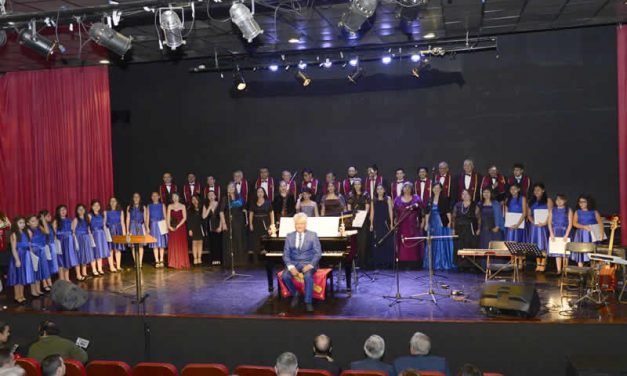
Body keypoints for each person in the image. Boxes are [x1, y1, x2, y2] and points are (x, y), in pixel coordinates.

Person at [281, 213, 322, 313]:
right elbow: (285, 254)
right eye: (297, 224)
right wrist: (290, 267)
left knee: (308, 276)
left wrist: (311, 265)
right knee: (285, 276)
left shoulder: (313, 235)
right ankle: (295, 294)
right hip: (294, 262)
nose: (299, 226)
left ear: (305, 224)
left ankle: (308, 301)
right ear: (294, 224)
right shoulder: (289, 236)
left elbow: (318, 253)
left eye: (302, 223)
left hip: (308, 262)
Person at [423, 183, 455, 271]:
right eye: (434, 188)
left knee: (440, 242)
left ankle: (441, 263)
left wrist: (449, 223)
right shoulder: (429, 199)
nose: (436, 189)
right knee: (432, 242)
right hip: (432, 223)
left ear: (441, 189)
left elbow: (448, 212)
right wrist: (426, 224)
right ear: (432, 189)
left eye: (438, 188)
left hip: (442, 222)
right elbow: (427, 213)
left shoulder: (444, 199)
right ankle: (432, 263)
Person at [571, 194, 604, 267]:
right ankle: (580, 271)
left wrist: (601, 234)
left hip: (592, 235)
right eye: (580, 202)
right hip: (580, 235)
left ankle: (593, 271)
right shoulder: (577, 212)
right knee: (580, 253)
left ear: (588, 202)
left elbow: (600, 223)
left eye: (583, 202)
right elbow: (574, 223)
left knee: (593, 253)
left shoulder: (594, 212)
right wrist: (583, 227)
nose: (581, 203)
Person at [394, 183, 423, 264]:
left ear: (412, 189)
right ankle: (402, 262)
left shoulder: (416, 198)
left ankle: (414, 262)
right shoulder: (397, 199)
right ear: (402, 189)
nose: (407, 189)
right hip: (401, 224)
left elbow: (421, 211)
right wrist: (395, 221)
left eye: (409, 187)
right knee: (402, 243)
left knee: (413, 243)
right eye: (405, 187)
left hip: (412, 225)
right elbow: (395, 212)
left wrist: (422, 222)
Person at [8, 217, 36, 304]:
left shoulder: (26, 233)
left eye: (23, 223)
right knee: (17, 277)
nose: (23, 224)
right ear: (16, 224)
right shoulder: (14, 234)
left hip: (25, 256)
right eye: (20, 223)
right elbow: (13, 249)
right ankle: (17, 296)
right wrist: (17, 260)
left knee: (22, 276)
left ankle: (22, 295)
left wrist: (32, 255)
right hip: (18, 256)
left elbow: (29, 245)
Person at [220, 183, 247, 268]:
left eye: (232, 187)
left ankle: (239, 261)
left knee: (239, 240)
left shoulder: (239, 198)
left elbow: (244, 207)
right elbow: (221, 212)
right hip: (229, 221)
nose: (231, 188)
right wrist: (223, 223)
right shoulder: (225, 198)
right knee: (230, 242)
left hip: (239, 222)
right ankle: (229, 263)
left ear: (235, 188)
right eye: (229, 187)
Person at [451, 190, 480, 269]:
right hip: (459, 229)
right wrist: (453, 229)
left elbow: (479, 219)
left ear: (470, 195)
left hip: (470, 229)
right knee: (459, 246)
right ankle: (460, 265)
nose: (465, 195)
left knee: (469, 246)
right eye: (463, 194)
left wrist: (479, 229)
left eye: (467, 194)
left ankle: (470, 265)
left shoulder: (475, 205)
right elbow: (453, 218)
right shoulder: (457, 205)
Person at [527, 183, 553, 272]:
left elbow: (550, 213)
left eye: (538, 190)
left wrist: (545, 222)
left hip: (544, 226)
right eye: (535, 190)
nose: (536, 192)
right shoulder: (531, 201)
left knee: (544, 245)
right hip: (534, 226)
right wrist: (533, 222)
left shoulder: (548, 200)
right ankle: (538, 263)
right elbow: (529, 215)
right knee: (536, 246)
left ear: (543, 190)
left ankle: (543, 263)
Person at [348, 178, 370, 268]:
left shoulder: (365, 194)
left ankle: (363, 263)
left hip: (363, 219)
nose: (357, 186)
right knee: (354, 241)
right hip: (353, 220)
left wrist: (363, 216)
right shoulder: (350, 194)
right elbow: (349, 207)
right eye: (355, 184)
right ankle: (355, 263)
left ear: (361, 185)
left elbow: (367, 207)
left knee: (363, 241)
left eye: (359, 184)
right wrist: (352, 217)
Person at [248, 187, 274, 265]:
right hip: (256, 223)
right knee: (256, 241)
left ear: (264, 193)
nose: (260, 193)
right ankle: (256, 261)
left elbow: (271, 213)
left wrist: (272, 224)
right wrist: (251, 224)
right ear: (256, 193)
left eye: (261, 192)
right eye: (258, 192)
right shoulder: (253, 202)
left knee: (265, 241)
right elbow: (251, 213)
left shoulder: (268, 202)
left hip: (265, 223)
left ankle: (266, 261)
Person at [370, 184, 394, 269]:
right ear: (376, 191)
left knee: (387, 242)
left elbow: (390, 211)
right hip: (377, 223)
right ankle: (378, 262)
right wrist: (371, 224)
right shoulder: (374, 200)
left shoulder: (388, 199)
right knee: (378, 242)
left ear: (384, 190)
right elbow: (372, 212)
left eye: (381, 189)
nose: (379, 191)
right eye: (378, 189)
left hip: (385, 223)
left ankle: (387, 262)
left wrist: (391, 223)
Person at [548, 194, 573, 274]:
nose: (558, 201)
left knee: (565, 251)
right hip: (555, 231)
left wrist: (566, 234)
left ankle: (565, 269)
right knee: (557, 251)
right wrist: (551, 233)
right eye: (557, 200)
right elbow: (549, 223)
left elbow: (570, 223)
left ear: (565, 201)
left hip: (565, 231)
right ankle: (559, 270)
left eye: (561, 200)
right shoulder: (552, 210)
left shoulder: (568, 210)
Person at [504, 184, 527, 269]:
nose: (513, 190)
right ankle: (512, 261)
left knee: (519, 242)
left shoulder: (522, 198)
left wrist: (517, 224)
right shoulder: (508, 199)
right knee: (511, 243)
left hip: (519, 224)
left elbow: (525, 213)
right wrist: (508, 223)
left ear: (518, 189)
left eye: (514, 189)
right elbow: (506, 213)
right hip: (510, 225)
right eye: (511, 189)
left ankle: (520, 261)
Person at [27, 215, 52, 293]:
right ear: (28, 223)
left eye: (36, 220)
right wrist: (31, 254)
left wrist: (43, 220)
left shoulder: (39, 228)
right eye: (33, 221)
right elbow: (29, 243)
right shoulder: (29, 230)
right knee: (35, 270)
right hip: (35, 251)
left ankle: (38, 289)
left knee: (41, 270)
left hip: (42, 250)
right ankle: (34, 291)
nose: (35, 222)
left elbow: (47, 232)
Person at [54, 205, 79, 281]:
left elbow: (72, 231)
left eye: (64, 209)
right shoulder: (56, 221)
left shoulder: (69, 220)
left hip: (68, 242)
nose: (63, 211)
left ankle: (67, 278)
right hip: (60, 242)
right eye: (61, 210)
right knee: (61, 260)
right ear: (58, 212)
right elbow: (54, 234)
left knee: (67, 260)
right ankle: (61, 278)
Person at [167, 192, 189, 269]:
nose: (175, 198)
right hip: (172, 228)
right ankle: (173, 262)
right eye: (173, 197)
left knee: (180, 244)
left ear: (179, 197)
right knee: (173, 244)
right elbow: (168, 217)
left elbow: (185, 218)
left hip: (180, 228)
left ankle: (182, 262)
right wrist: (169, 226)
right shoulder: (170, 206)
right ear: (172, 198)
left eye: (176, 196)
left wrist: (178, 226)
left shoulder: (182, 206)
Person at [73, 204, 96, 280]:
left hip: (86, 238)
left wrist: (90, 238)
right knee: (79, 256)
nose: (81, 210)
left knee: (84, 256)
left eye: (82, 209)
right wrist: (75, 241)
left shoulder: (87, 218)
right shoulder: (76, 219)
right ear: (77, 211)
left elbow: (88, 229)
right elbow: (73, 231)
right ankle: (78, 275)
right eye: (79, 209)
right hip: (79, 239)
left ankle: (84, 273)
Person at [126, 193, 147, 268]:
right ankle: (136, 262)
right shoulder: (129, 207)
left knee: (141, 245)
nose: (136, 198)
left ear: (140, 198)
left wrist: (147, 229)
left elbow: (145, 219)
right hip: (132, 227)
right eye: (134, 197)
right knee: (133, 246)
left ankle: (140, 262)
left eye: (137, 197)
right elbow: (128, 219)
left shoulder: (143, 207)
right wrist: (127, 230)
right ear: (132, 198)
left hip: (140, 227)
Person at [147, 192, 168, 268]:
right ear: (151, 197)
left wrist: (166, 226)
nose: (155, 197)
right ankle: (156, 260)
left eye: (156, 195)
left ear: (159, 196)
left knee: (161, 244)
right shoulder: (149, 206)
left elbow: (165, 216)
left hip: (161, 224)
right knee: (154, 243)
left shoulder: (162, 205)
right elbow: (147, 217)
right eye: (153, 196)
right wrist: (147, 227)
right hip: (153, 225)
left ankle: (161, 260)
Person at [104, 197, 125, 272]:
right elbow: (104, 223)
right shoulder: (106, 212)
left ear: (117, 202)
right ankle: (111, 266)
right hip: (110, 231)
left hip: (118, 231)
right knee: (110, 249)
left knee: (118, 249)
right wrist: (105, 233)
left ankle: (118, 266)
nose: (113, 203)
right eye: (111, 201)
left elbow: (122, 223)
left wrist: (124, 234)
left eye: (114, 201)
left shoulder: (120, 211)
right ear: (109, 203)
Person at [202, 191, 223, 266]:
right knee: (212, 243)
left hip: (218, 225)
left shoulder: (219, 204)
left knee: (219, 243)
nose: (211, 196)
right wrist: (209, 208)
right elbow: (204, 216)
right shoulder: (206, 205)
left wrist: (220, 226)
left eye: (212, 195)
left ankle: (219, 259)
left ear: (215, 196)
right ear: (208, 197)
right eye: (209, 195)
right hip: (210, 226)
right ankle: (213, 259)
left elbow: (221, 216)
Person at [88, 200, 108, 275]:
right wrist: (90, 236)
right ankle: (94, 269)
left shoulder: (101, 215)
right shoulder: (89, 215)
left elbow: (104, 225)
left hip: (101, 235)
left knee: (100, 252)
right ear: (92, 207)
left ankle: (99, 268)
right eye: (95, 205)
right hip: (94, 234)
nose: (97, 207)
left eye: (98, 205)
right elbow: (88, 226)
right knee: (94, 252)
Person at [39, 211, 60, 279]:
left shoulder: (50, 225)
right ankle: (46, 282)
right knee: (47, 264)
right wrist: (43, 221)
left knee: (53, 264)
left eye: (50, 215)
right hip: (46, 247)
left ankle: (52, 280)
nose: (50, 217)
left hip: (52, 245)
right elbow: (47, 232)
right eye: (47, 216)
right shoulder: (40, 226)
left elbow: (54, 235)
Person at [188, 195, 205, 266]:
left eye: (196, 199)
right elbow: (188, 220)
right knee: (194, 243)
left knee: (200, 243)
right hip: (193, 228)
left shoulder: (202, 208)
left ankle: (199, 258)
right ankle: (195, 258)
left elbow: (204, 218)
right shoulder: (189, 209)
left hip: (200, 227)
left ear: (198, 200)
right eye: (193, 200)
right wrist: (190, 229)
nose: (194, 201)